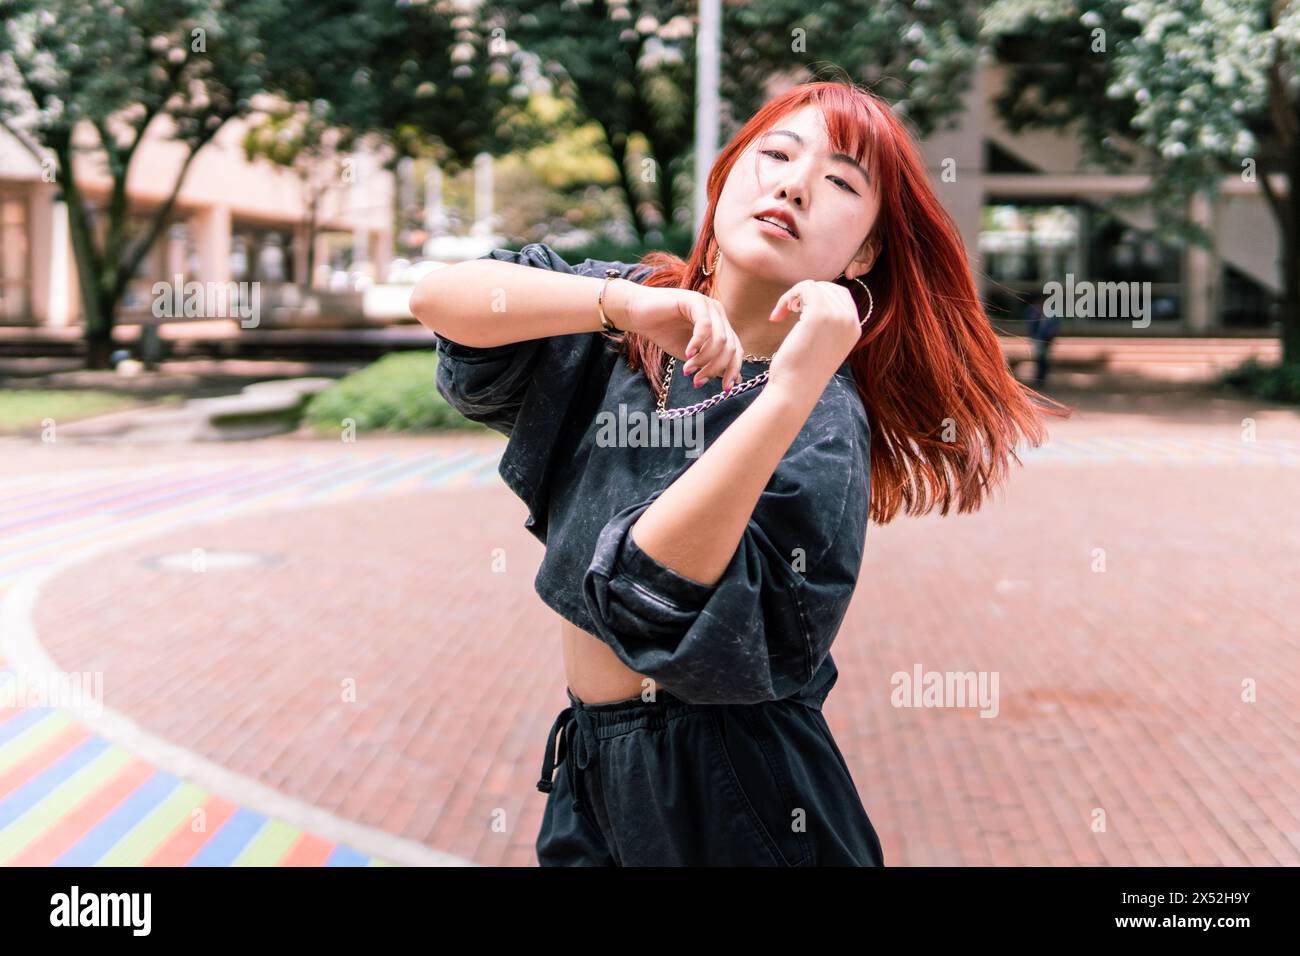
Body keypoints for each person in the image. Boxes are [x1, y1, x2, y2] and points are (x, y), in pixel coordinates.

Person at [410, 79, 1072, 867]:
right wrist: (624, 305)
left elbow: (648, 590)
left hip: (732, 793)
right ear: (725, 182)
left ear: (861, 253)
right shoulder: (625, 307)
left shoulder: (819, 420)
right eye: (778, 156)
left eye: (840, 183)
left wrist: (790, 389)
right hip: (590, 769)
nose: (795, 183)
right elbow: (440, 299)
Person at [1024, 292, 1061, 387]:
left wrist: (1052, 333)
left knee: (1043, 357)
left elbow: (1055, 324)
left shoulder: (1051, 311)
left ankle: (1041, 377)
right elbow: (1029, 322)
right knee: (1040, 357)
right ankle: (1040, 377)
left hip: (1047, 337)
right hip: (1038, 336)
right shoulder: (1033, 311)